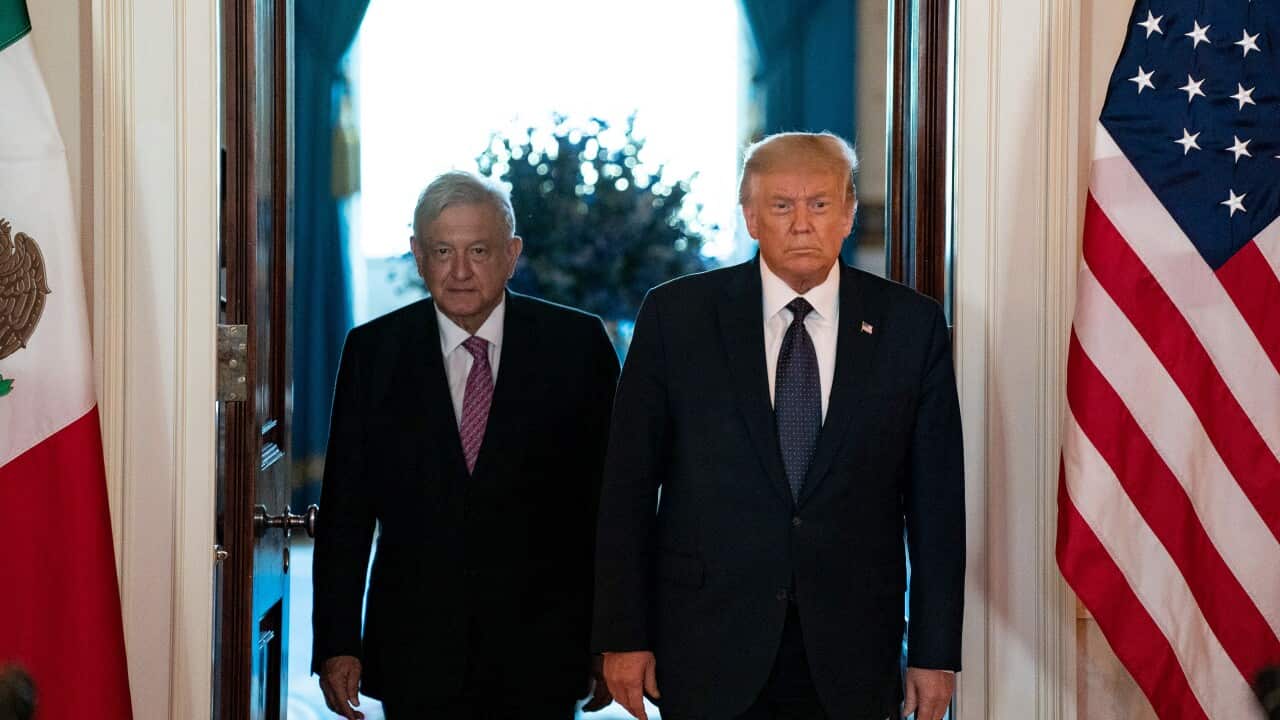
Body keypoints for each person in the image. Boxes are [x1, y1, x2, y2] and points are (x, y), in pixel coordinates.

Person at [592, 132, 965, 720]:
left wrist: (934, 652)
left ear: (847, 215)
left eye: (819, 204)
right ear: (750, 216)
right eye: (781, 206)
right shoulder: (676, 318)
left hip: (854, 652)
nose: (801, 224)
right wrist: (623, 635)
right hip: (706, 645)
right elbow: (627, 491)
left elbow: (937, 507)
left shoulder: (910, 327)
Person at [312, 171, 620, 719]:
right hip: (415, 651)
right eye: (442, 250)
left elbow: (611, 507)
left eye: (478, 250)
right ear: (417, 255)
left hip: (544, 650)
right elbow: (345, 513)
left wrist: (612, 637)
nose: (459, 271)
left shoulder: (578, 346)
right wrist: (337, 643)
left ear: (512, 253)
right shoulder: (373, 353)